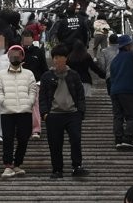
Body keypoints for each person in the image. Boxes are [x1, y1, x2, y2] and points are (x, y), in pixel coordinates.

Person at [39, 44, 88, 179]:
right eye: (54, 57)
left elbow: (80, 94)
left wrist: (80, 112)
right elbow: (42, 96)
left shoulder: (73, 75)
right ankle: (57, 169)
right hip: (54, 114)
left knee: (76, 139)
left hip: (72, 113)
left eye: (59, 57)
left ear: (66, 59)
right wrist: (44, 113)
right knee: (54, 143)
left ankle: (77, 166)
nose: (56, 60)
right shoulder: (47, 76)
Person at [0, 44, 38, 177]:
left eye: (18, 54)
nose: (15, 57)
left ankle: (18, 164)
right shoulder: (1, 74)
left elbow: (33, 89)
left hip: (25, 111)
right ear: (8, 56)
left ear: (22, 56)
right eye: (12, 54)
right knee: (7, 139)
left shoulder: (28, 73)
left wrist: (29, 102)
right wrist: (3, 101)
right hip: (7, 112)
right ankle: (8, 165)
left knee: (23, 138)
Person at [20, 30, 48, 140]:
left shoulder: (38, 51)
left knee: (35, 105)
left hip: (35, 83)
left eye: (29, 37)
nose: (27, 40)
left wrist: (43, 82)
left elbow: (44, 68)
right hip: (20, 82)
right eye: (24, 37)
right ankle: (23, 129)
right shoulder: (18, 51)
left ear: (32, 39)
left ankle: (36, 129)